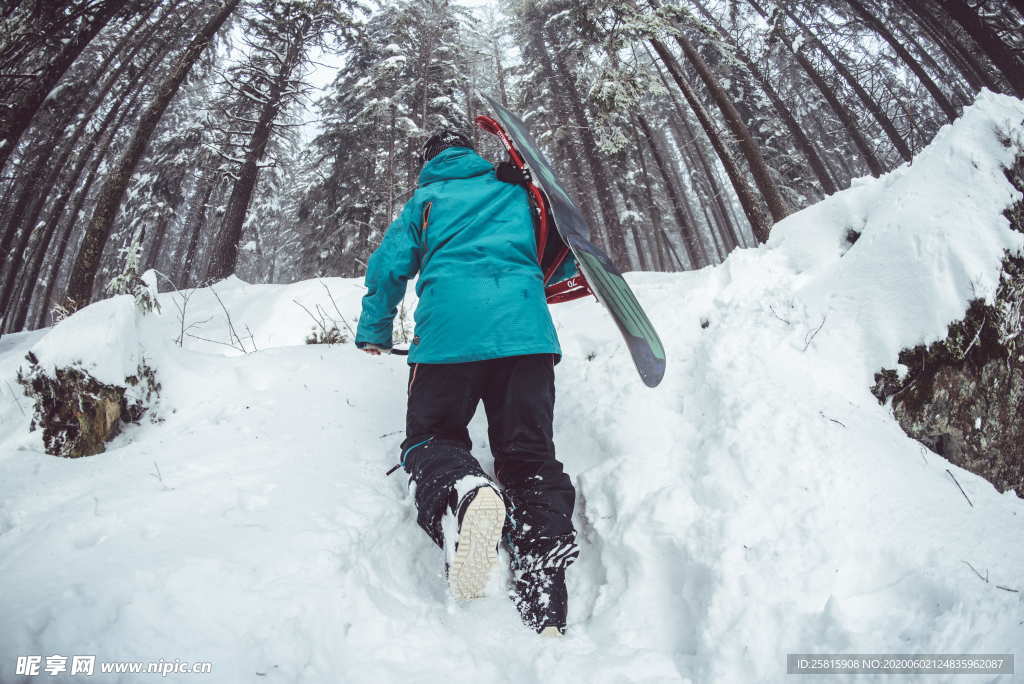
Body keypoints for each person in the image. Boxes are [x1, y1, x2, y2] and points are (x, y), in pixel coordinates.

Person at [354, 129, 579, 636]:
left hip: (448, 339)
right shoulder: (517, 190)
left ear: (428, 160)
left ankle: (463, 493)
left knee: (431, 436)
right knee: (529, 454)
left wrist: (374, 329)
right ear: (470, 154)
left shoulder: (426, 201)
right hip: (526, 334)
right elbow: (556, 253)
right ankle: (544, 578)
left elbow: (389, 266)